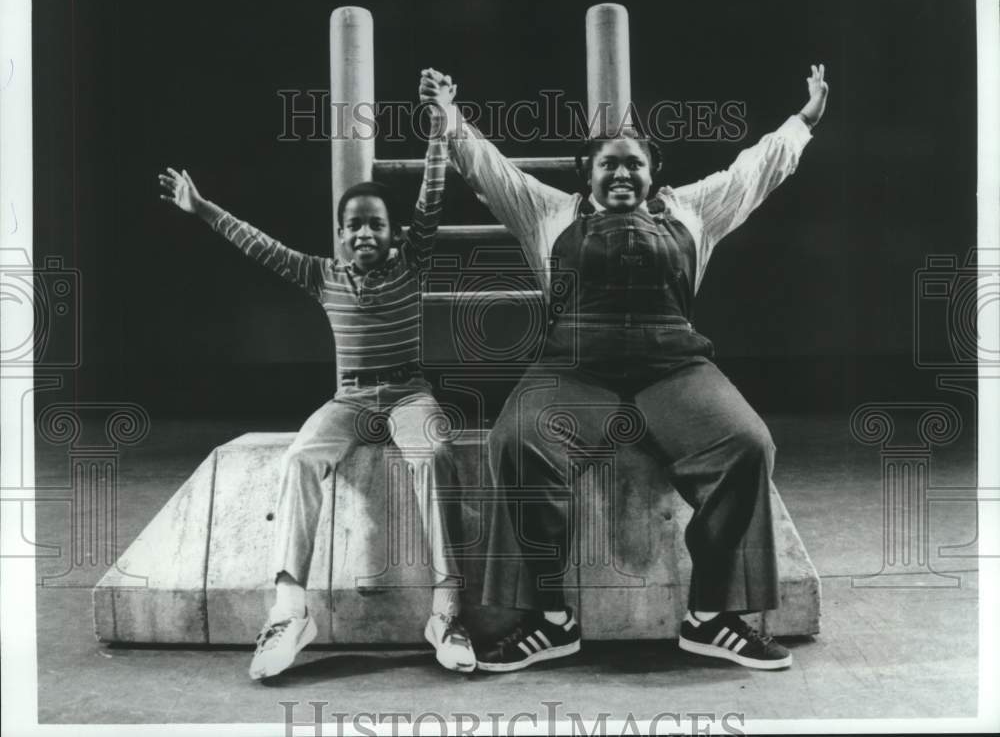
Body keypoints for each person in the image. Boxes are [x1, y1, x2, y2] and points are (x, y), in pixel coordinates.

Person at [418, 63, 828, 673]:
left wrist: (803, 121)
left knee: (748, 445)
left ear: (652, 172)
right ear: (586, 174)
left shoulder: (693, 211)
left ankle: (709, 618)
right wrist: (449, 116)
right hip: (575, 371)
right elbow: (489, 168)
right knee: (516, 439)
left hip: (675, 369)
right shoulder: (548, 212)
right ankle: (551, 621)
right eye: (607, 163)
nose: (621, 172)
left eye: (633, 162)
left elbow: (755, 171)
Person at [157, 128, 476, 679]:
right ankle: (289, 611)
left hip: (408, 393)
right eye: (355, 225)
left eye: (376, 223)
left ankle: (447, 612)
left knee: (435, 456)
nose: (365, 232)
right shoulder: (321, 275)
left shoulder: (411, 261)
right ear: (341, 234)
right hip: (349, 398)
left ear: (393, 232)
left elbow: (431, 197)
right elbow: (258, 244)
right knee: (301, 458)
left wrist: (440, 129)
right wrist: (203, 208)